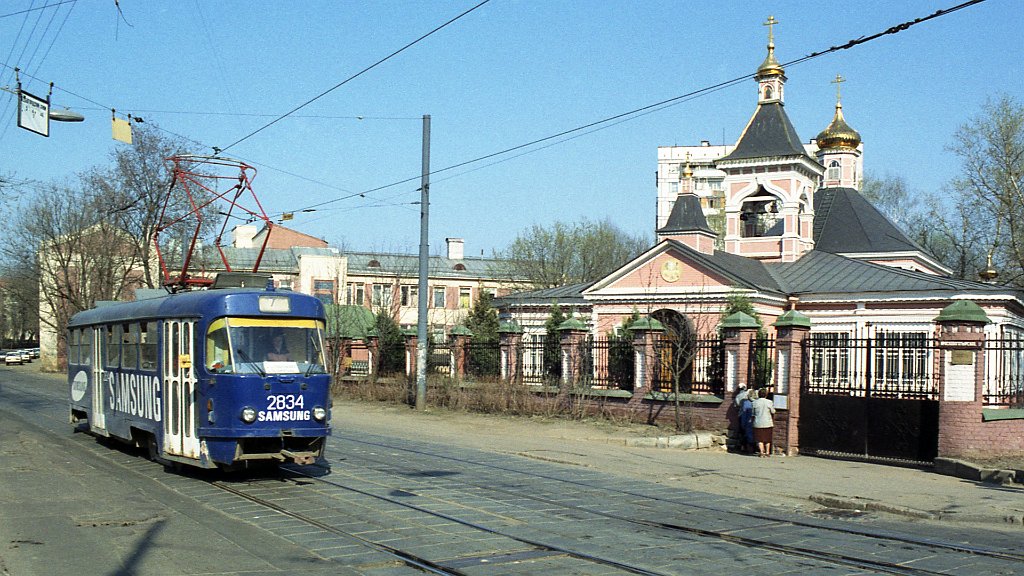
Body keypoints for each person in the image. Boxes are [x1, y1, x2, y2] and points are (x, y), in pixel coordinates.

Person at [750, 388, 776, 457]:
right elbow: (773, 411)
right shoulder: (769, 402)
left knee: (759, 438)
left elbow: (752, 414)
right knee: (767, 438)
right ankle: (767, 452)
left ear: (758, 394)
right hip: (768, 422)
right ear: (766, 394)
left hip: (758, 423)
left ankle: (761, 452)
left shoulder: (754, 402)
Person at [739, 388, 754, 454]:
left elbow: (744, 413)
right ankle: (751, 448)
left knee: (745, 434)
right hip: (753, 421)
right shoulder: (756, 402)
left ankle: (745, 447)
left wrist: (743, 423)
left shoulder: (745, 402)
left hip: (747, 421)